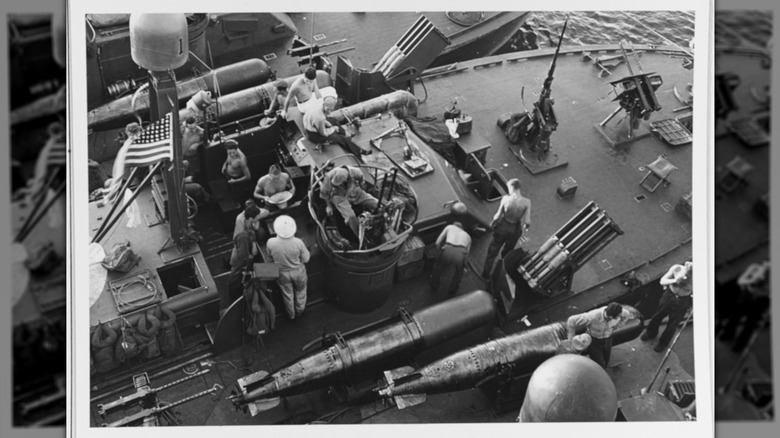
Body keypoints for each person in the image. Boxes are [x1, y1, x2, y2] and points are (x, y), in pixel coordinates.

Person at [482, 178, 531, 279]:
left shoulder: (505, 199)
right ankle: (499, 274)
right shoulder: (527, 202)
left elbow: (497, 215)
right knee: (507, 253)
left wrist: (492, 223)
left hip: (503, 226)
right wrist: (526, 227)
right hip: (514, 230)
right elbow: (527, 221)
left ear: (513, 188)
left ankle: (486, 274)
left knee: (493, 251)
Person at [641, 261, 693, 352]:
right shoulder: (677, 268)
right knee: (657, 316)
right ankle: (651, 332)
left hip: (682, 301)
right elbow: (662, 281)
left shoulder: (699, 278)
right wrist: (675, 280)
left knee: (673, 325)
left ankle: (663, 343)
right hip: (669, 296)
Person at [566, 302, 638, 368]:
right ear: (610, 317)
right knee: (599, 365)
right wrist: (570, 340)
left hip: (608, 339)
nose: (619, 317)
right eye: (617, 318)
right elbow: (571, 320)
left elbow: (626, 315)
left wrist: (618, 326)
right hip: (594, 342)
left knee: (606, 361)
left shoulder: (622, 312)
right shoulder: (592, 316)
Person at [266, 215, 310, 320]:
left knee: (287, 295)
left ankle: (291, 315)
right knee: (301, 291)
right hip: (298, 272)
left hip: (282, 273)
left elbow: (269, 259)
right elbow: (306, 259)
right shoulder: (298, 242)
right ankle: (299, 310)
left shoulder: (270, 242)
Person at [719, 261, 769, 352]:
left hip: (761, 300)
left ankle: (739, 346)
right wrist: (753, 280)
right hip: (748, 295)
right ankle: (727, 334)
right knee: (735, 316)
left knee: (750, 324)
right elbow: (741, 281)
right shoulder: (755, 268)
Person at [320, 166, 378, 236]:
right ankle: (361, 236)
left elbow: (362, 182)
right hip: (339, 196)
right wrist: (328, 206)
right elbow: (324, 193)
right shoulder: (329, 177)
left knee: (375, 203)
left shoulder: (356, 172)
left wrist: (362, 191)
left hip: (353, 190)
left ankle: (384, 217)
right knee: (350, 217)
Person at [303, 96, 369, 156]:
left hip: (310, 126)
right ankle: (359, 151)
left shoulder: (318, 106)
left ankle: (345, 133)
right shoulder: (320, 117)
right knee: (339, 138)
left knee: (333, 120)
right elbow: (323, 133)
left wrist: (327, 124)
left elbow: (317, 120)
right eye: (329, 110)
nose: (330, 111)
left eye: (331, 109)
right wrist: (333, 129)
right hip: (314, 135)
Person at [429, 222, 472, 297]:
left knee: (438, 266)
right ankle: (453, 289)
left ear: (454, 225)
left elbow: (437, 242)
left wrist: (440, 253)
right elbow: (467, 254)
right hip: (461, 253)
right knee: (459, 272)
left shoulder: (449, 227)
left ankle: (434, 284)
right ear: (462, 228)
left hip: (447, 249)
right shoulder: (468, 236)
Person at [229, 204, 263, 276]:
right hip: (240, 260)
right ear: (251, 218)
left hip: (245, 249)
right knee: (236, 276)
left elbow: (251, 230)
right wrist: (249, 268)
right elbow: (243, 254)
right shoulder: (242, 235)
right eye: (257, 217)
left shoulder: (245, 218)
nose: (258, 218)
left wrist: (254, 244)